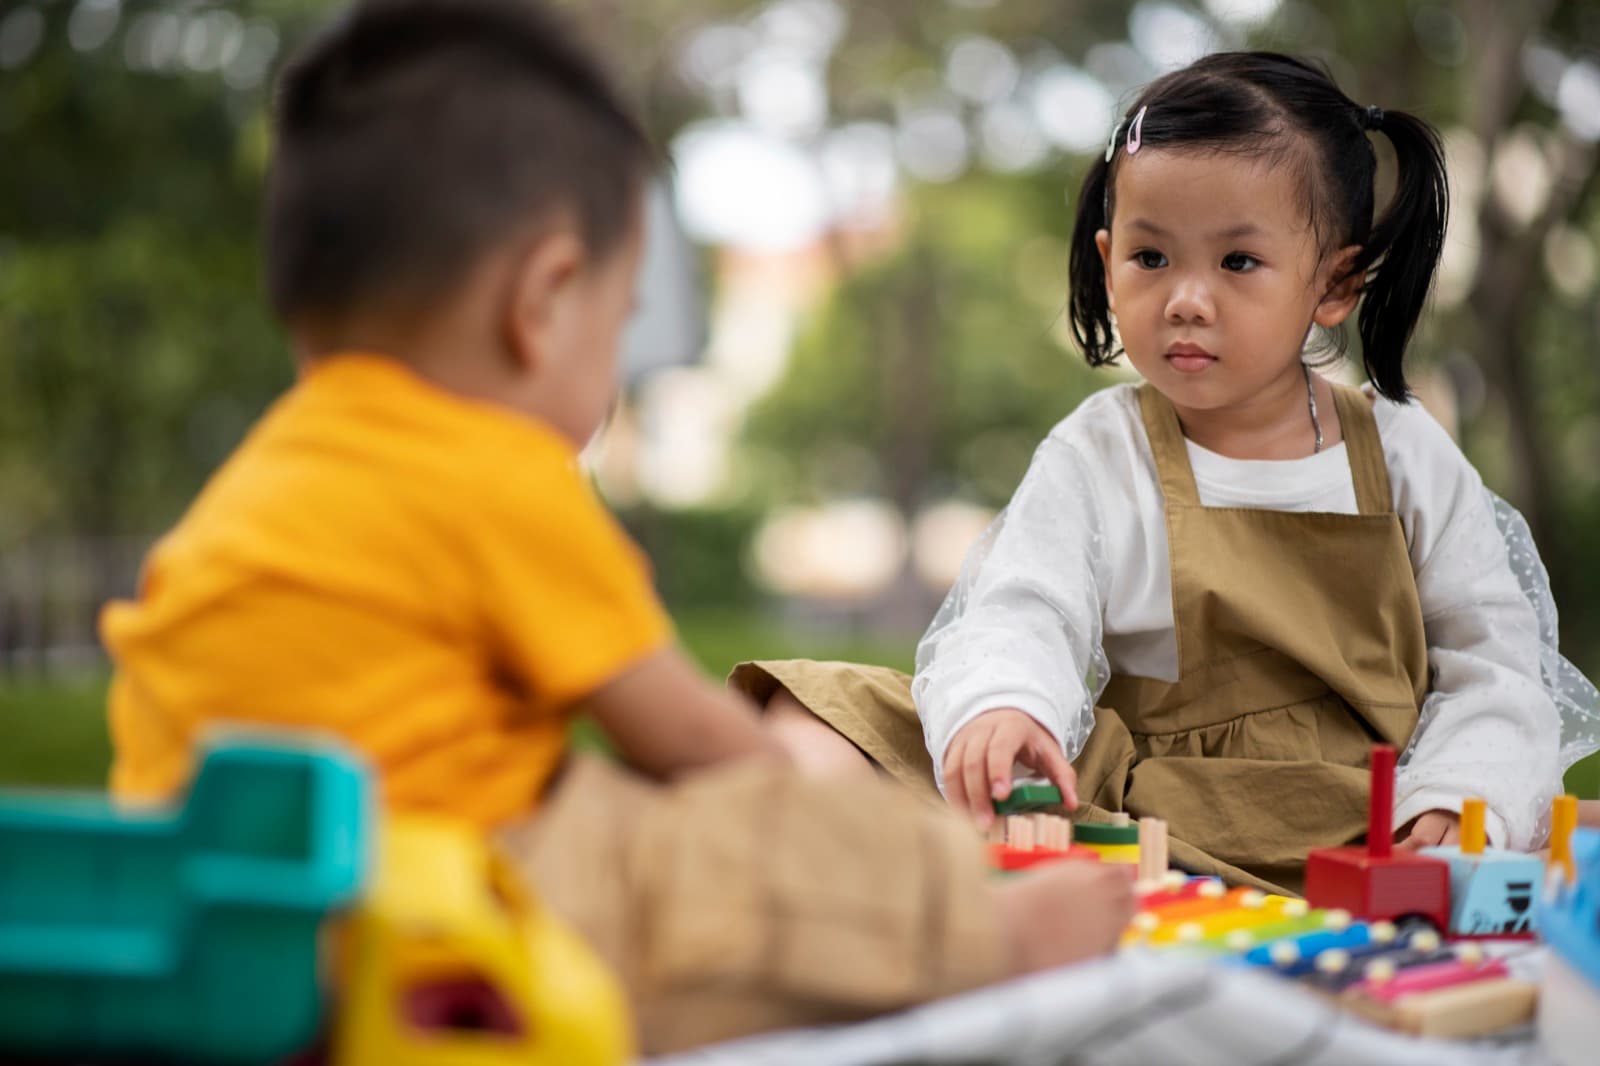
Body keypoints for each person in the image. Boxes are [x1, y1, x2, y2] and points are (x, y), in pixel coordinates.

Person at [97, 0, 1134, 1054]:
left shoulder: (258, 483)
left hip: (210, 924)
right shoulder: (495, 471)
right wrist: (830, 815)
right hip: (425, 921)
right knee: (718, 841)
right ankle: (986, 940)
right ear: (541, 301)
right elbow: (695, 746)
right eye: (619, 317)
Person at [738, 51, 1600, 895]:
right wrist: (1008, 709)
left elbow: (1493, 659)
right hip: (1147, 817)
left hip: (1371, 826)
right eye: (1152, 259)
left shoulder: (1405, 452)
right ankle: (858, 905)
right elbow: (1024, 603)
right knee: (815, 708)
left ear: (1335, 283)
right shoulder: (1102, 448)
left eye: (1237, 262)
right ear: (1109, 263)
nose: (1187, 297)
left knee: (1568, 827)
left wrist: (1456, 801)